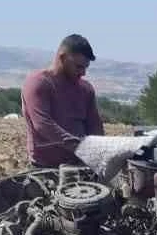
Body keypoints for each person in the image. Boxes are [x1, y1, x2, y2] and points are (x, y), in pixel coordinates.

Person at [20, 34, 104, 168]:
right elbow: (43, 125)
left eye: (85, 67)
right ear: (63, 58)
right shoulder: (39, 83)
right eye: (78, 66)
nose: (83, 73)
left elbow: (95, 125)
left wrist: (101, 150)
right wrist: (81, 148)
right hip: (46, 167)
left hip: (81, 165)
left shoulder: (86, 89)